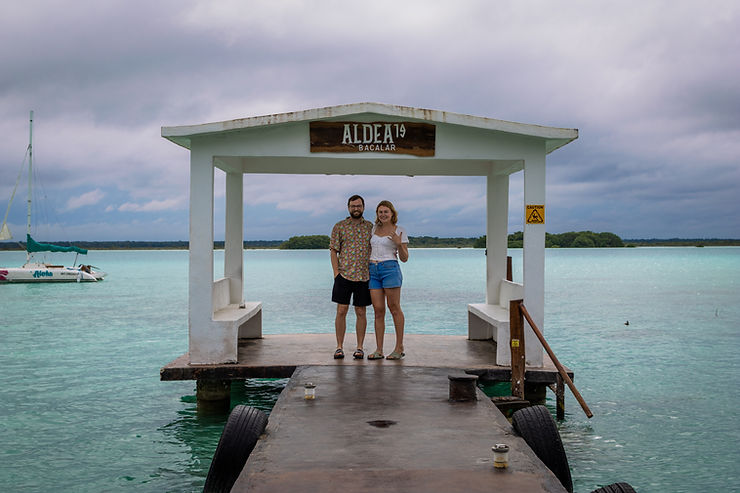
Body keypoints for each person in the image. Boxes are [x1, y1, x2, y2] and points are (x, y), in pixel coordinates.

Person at [330, 194, 373, 360]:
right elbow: (333, 250)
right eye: (353, 206)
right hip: (344, 275)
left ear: (363, 207)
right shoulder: (339, 226)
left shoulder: (370, 227)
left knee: (361, 312)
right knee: (341, 311)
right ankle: (339, 347)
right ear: (348, 208)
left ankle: (360, 347)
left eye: (359, 206)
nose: (356, 209)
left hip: (364, 276)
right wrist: (336, 273)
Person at [367, 200, 409, 360]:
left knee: (394, 308)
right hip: (373, 270)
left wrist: (399, 245)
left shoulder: (400, 231)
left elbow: (405, 258)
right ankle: (379, 350)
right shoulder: (373, 229)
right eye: (380, 212)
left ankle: (399, 347)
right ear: (377, 214)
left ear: (392, 213)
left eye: (386, 211)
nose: (383, 214)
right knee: (378, 310)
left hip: (390, 269)